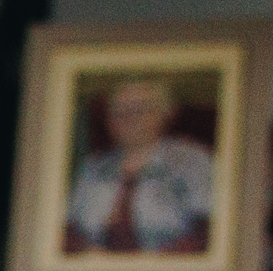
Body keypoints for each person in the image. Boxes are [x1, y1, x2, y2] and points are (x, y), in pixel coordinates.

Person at [62, 74, 218, 257]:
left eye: (138, 110)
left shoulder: (192, 161)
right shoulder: (92, 168)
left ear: (165, 114)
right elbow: (66, 230)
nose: (127, 118)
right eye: (117, 111)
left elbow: (210, 231)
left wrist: (155, 263)